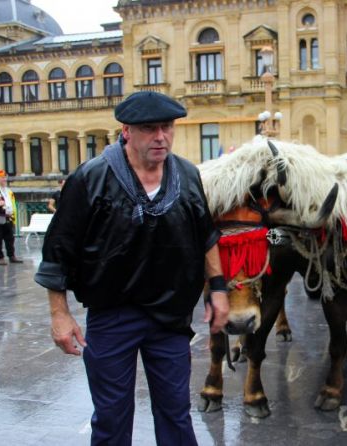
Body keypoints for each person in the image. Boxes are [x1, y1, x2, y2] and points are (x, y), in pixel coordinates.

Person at [34, 91, 229, 445]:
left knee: (175, 413)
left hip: (170, 318)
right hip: (112, 316)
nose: (161, 136)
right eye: (149, 128)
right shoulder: (91, 178)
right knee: (111, 417)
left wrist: (218, 288)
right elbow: (58, 249)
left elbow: (206, 235)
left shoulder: (186, 174)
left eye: (167, 127)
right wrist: (59, 314)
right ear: (126, 130)